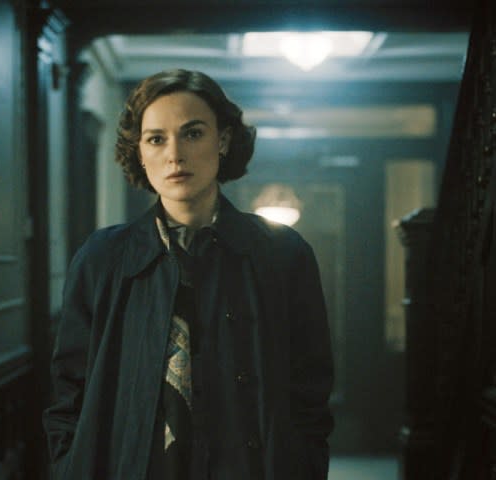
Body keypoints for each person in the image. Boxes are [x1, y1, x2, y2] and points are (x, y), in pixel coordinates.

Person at [43, 69, 334, 480]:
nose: (174, 154)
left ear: (224, 140)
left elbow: (310, 388)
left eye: (193, 133)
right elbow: (69, 391)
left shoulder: (283, 254)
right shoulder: (102, 259)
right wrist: (70, 467)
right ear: (140, 152)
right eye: (156, 138)